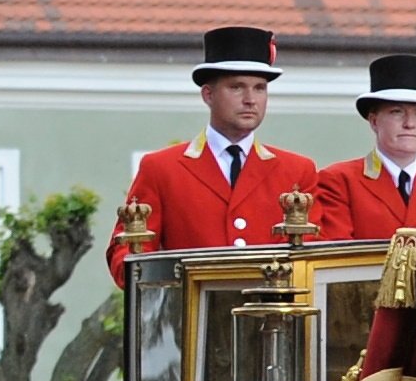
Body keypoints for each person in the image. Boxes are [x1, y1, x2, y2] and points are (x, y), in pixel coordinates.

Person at [107, 26, 320, 279]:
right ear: (208, 94)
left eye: (260, 88)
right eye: (237, 87)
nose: (250, 99)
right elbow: (128, 254)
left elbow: (312, 255)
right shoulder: (161, 168)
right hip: (190, 312)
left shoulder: (296, 170)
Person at [309, 53, 416, 240]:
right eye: (397, 112)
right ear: (374, 121)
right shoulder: (340, 182)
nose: (409, 123)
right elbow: (335, 258)